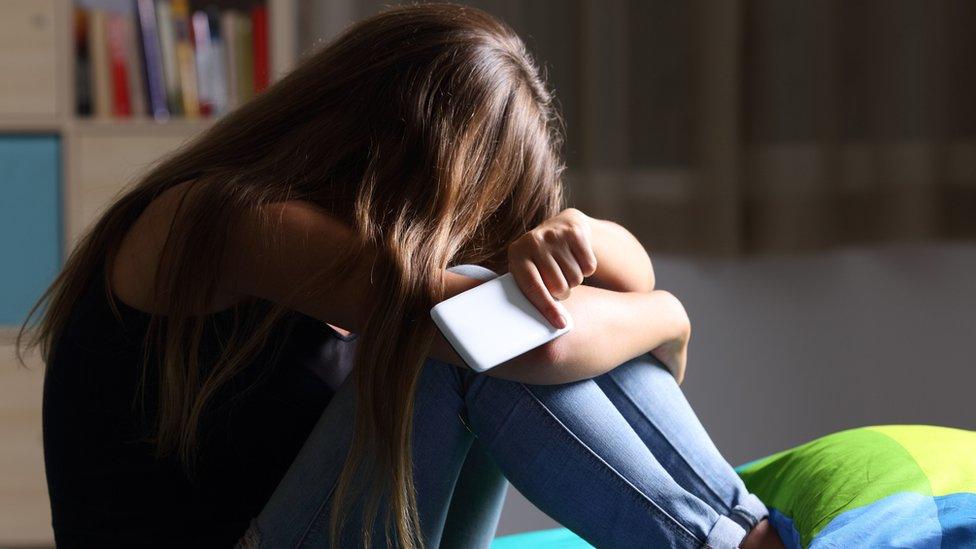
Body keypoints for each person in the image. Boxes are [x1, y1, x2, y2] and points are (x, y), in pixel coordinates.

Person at [19, 4, 784, 548]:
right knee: (462, 343)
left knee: (487, 325)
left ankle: (738, 529)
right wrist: (672, 314)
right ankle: (736, 537)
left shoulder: (354, 243)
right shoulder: (226, 220)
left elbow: (618, 284)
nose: (467, 241)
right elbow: (525, 347)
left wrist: (580, 233)